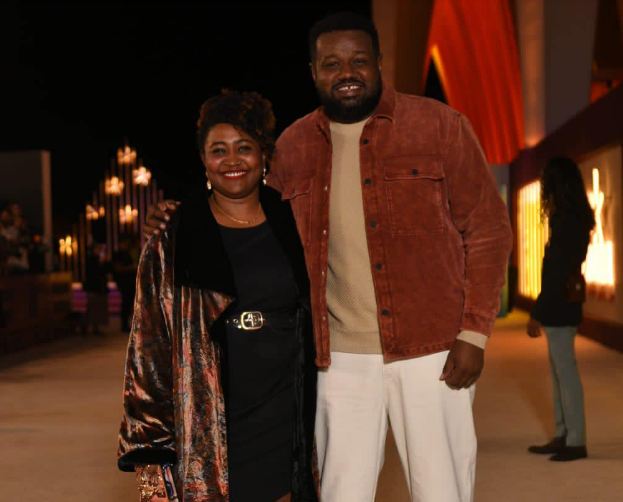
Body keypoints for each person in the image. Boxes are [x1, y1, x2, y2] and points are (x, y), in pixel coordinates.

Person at [146, 12, 512, 502]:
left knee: (442, 491)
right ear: (314, 71)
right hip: (337, 359)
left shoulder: (439, 127)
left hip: (433, 352)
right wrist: (179, 218)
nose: (347, 73)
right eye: (332, 63)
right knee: (339, 492)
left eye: (358, 60)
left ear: (378, 63)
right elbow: (246, 209)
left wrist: (474, 333)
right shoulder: (294, 146)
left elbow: (488, 229)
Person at [118, 90, 317, 502]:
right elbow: (147, 350)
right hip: (210, 423)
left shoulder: (294, 221)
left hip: (284, 415)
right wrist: (151, 452)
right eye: (218, 150)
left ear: (264, 155)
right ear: (203, 159)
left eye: (244, 147)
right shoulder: (174, 237)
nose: (232, 160)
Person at [526, 157, 594, 462]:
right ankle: (564, 433)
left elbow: (555, 271)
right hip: (568, 300)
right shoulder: (576, 218)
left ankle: (575, 439)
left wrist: (537, 311)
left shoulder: (565, 221)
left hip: (558, 303)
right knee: (560, 371)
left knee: (564, 372)